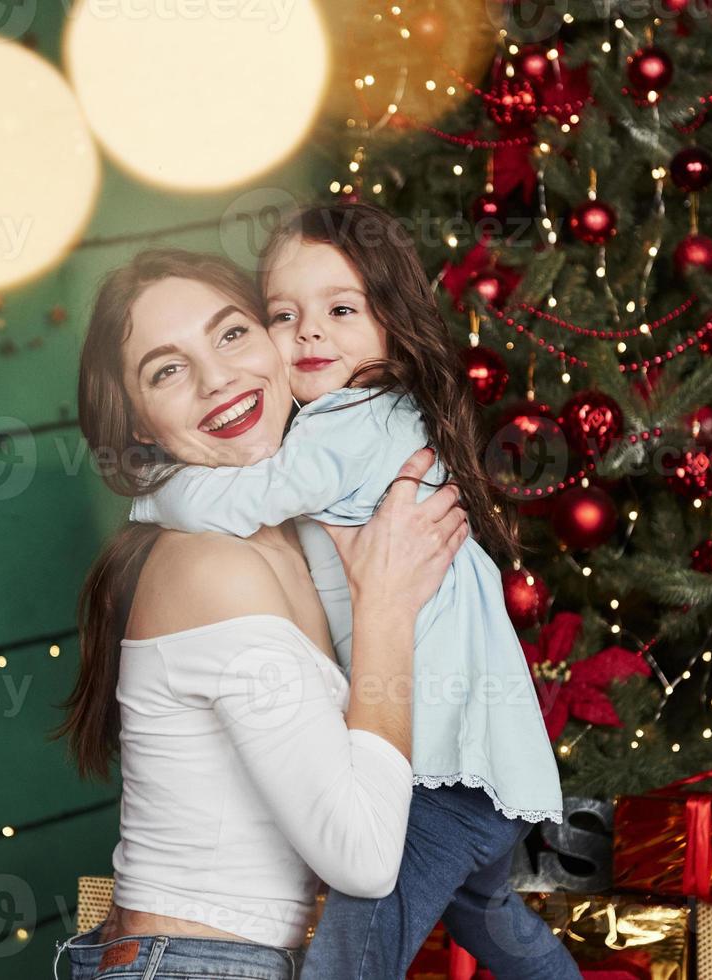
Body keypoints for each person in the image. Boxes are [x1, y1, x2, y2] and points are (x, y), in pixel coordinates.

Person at [128, 203, 580, 978]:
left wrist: (153, 497)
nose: (307, 334)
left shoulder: (351, 422)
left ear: (391, 330)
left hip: (437, 772)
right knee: (497, 923)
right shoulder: (372, 419)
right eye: (282, 315)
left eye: (340, 311)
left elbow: (248, 497)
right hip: (482, 773)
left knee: (347, 964)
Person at [50, 247, 469, 980]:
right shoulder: (211, 567)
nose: (219, 378)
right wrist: (386, 612)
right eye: (167, 369)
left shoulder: (291, 539)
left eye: (232, 333)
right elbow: (363, 859)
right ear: (140, 424)